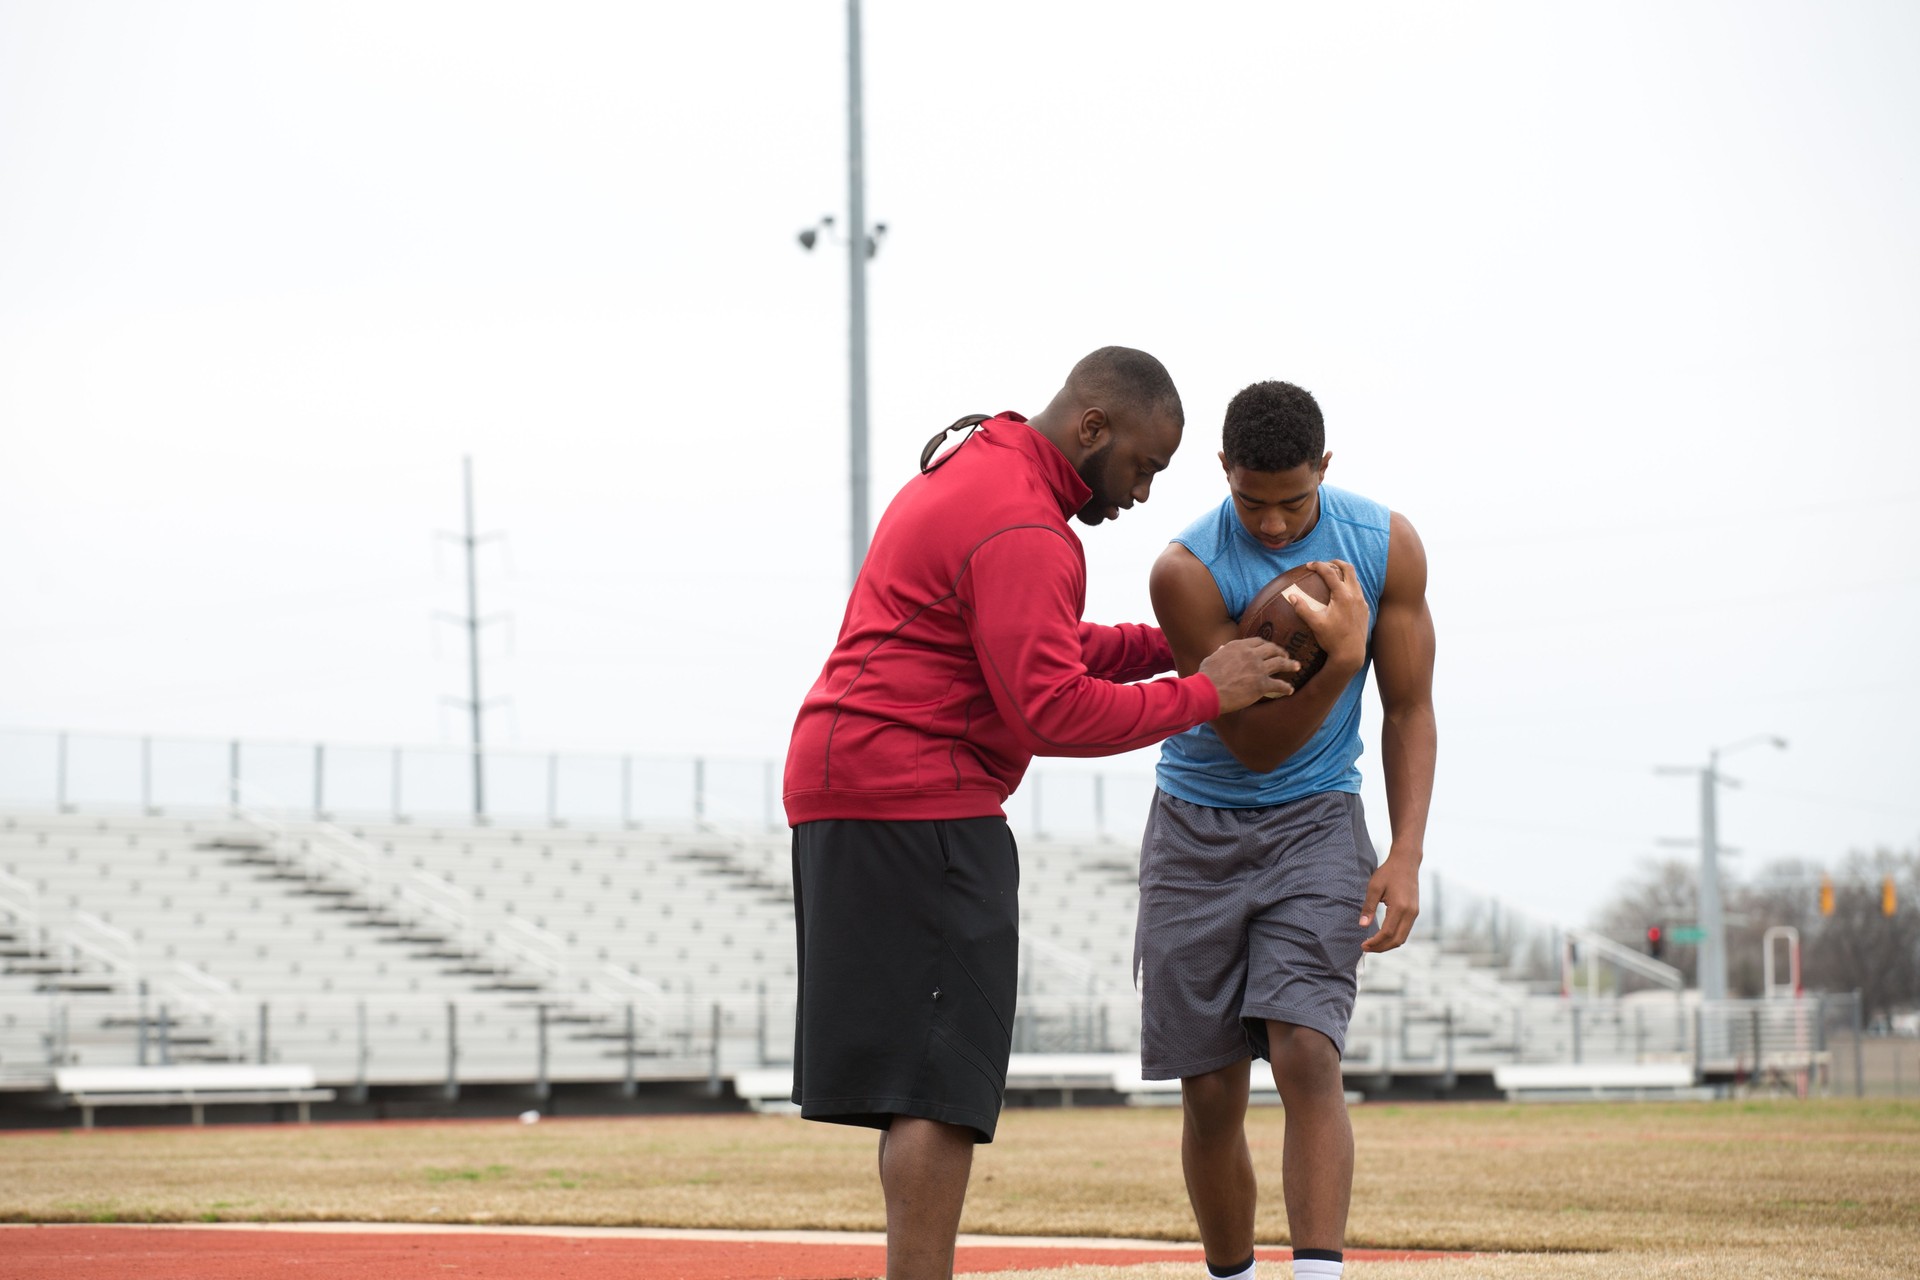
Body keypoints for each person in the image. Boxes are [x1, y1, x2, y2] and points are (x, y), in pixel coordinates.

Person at [783, 347, 1302, 1280]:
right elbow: (1050, 708)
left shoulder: (980, 463)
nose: (1142, 493)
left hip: (848, 787)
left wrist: (1172, 645)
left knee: (914, 1085)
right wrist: (1206, 691)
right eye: (1142, 466)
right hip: (920, 801)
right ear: (1094, 427)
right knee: (938, 1091)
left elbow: (1036, 640)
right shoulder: (1027, 522)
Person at [1138, 379, 1436, 1280]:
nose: (1271, 525)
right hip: (1195, 826)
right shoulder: (1185, 569)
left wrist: (1406, 853)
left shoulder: (1385, 544)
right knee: (1210, 1090)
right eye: (1250, 502)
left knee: (1307, 1049)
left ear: (1325, 469)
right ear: (1223, 470)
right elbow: (1254, 745)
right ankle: (1231, 1275)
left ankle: (1317, 1274)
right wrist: (1340, 659)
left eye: (1294, 503)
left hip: (1316, 821)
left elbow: (1409, 707)